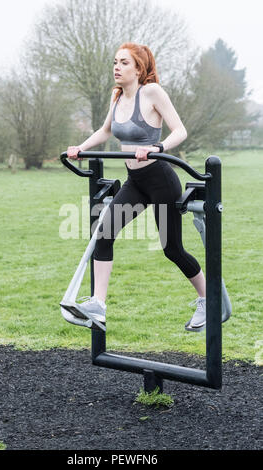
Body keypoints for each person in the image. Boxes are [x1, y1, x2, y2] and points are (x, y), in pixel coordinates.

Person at [64, 42, 206, 332]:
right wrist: (81, 148)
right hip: (136, 181)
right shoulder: (116, 97)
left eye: (124, 63)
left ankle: (207, 299)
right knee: (103, 232)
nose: (117, 67)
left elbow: (180, 130)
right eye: (115, 62)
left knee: (172, 249)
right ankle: (98, 307)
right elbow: (105, 131)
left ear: (139, 68)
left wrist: (157, 147)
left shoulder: (152, 92)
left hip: (161, 179)